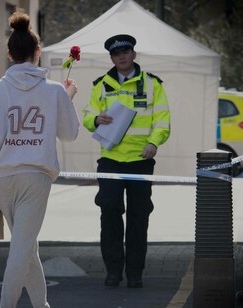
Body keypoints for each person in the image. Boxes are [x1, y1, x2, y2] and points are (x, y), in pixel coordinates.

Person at [0, 8, 80, 308]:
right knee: (21, 250)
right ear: (38, 52)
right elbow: (69, 134)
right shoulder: (55, 90)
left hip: (3, 178)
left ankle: (42, 305)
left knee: (25, 248)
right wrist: (66, 101)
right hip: (36, 177)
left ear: (10, 55)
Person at [83, 34, 170, 288]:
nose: (121, 56)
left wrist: (154, 142)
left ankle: (135, 273)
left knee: (138, 216)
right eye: (116, 54)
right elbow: (88, 114)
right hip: (110, 160)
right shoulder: (101, 84)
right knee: (109, 210)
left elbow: (162, 119)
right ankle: (113, 270)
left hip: (141, 161)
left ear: (134, 54)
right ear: (112, 58)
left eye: (126, 52)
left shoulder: (153, 84)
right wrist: (95, 119)